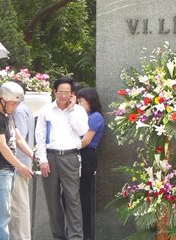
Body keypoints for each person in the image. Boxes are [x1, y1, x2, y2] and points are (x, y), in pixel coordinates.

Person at [35, 77, 88, 240]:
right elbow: (40, 136)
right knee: (52, 200)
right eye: (61, 91)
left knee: (73, 199)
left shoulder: (78, 111)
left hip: (70, 157)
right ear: (55, 91)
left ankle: (76, 237)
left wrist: (72, 110)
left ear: (72, 94)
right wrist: (42, 159)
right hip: (50, 157)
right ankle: (58, 236)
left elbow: (82, 131)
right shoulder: (46, 110)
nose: (64, 95)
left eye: (67, 92)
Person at [0, 82, 34, 240]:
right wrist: (20, 166)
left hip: (8, 171)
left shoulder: (8, 116)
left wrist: (33, 156)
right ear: (3, 100)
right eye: (13, 103)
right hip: (0, 171)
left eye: (17, 104)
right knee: (0, 216)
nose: (15, 107)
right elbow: (2, 147)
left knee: (4, 214)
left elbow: (18, 139)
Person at [8, 81, 35, 240]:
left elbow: (18, 139)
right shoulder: (25, 108)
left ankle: (22, 237)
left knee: (19, 205)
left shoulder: (18, 110)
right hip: (21, 162)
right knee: (19, 204)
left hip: (18, 163)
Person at [76, 88, 105, 240]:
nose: (78, 104)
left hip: (87, 155)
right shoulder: (85, 115)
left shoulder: (95, 117)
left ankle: (87, 235)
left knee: (84, 195)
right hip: (79, 154)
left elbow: (86, 141)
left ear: (90, 101)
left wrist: (68, 146)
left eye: (81, 101)